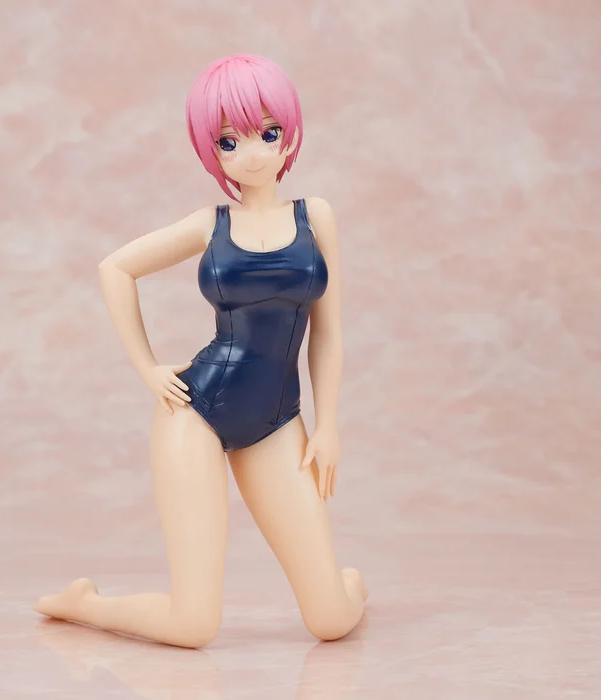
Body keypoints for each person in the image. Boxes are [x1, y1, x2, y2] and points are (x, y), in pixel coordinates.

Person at [34, 54, 368, 648]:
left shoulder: (316, 217)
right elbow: (116, 268)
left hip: (277, 420)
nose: (253, 154)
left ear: (289, 133)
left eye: (269, 133)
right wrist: (147, 367)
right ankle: (86, 605)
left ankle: (348, 588)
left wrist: (329, 425)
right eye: (229, 142)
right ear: (212, 151)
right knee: (193, 626)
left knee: (331, 621)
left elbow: (328, 332)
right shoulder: (208, 225)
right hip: (197, 412)